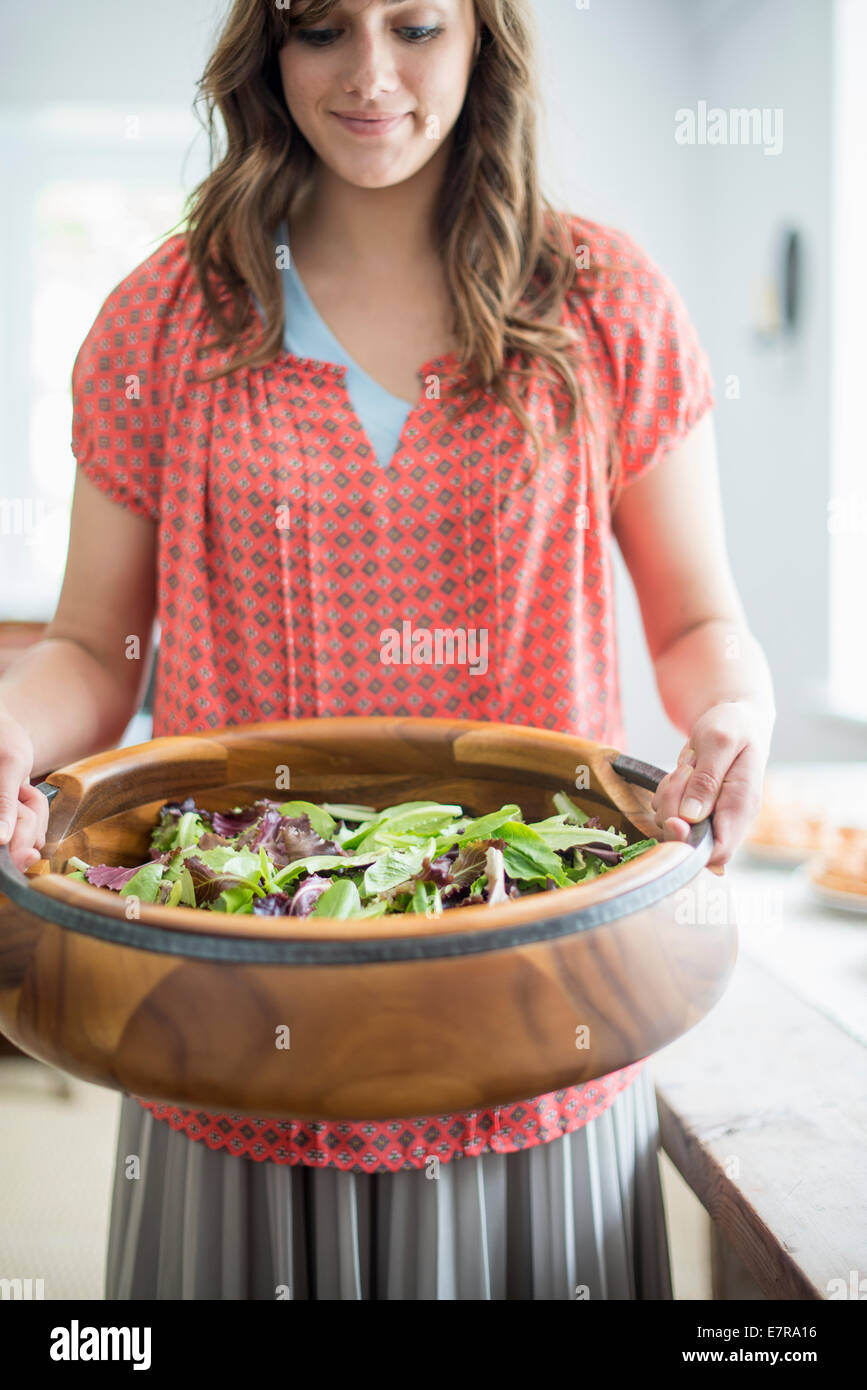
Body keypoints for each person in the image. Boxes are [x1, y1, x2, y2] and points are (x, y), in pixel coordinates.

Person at [0, 0, 775, 1300]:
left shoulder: (606, 303)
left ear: (484, 37)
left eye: (416, 25)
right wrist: (15, 727)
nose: (370, 77)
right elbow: (91, 646)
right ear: (269, 45)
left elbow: (700, 626)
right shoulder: (161, 324)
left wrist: (736, 708)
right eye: (319, 27)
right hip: (235, 1018)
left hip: (536, 1012)